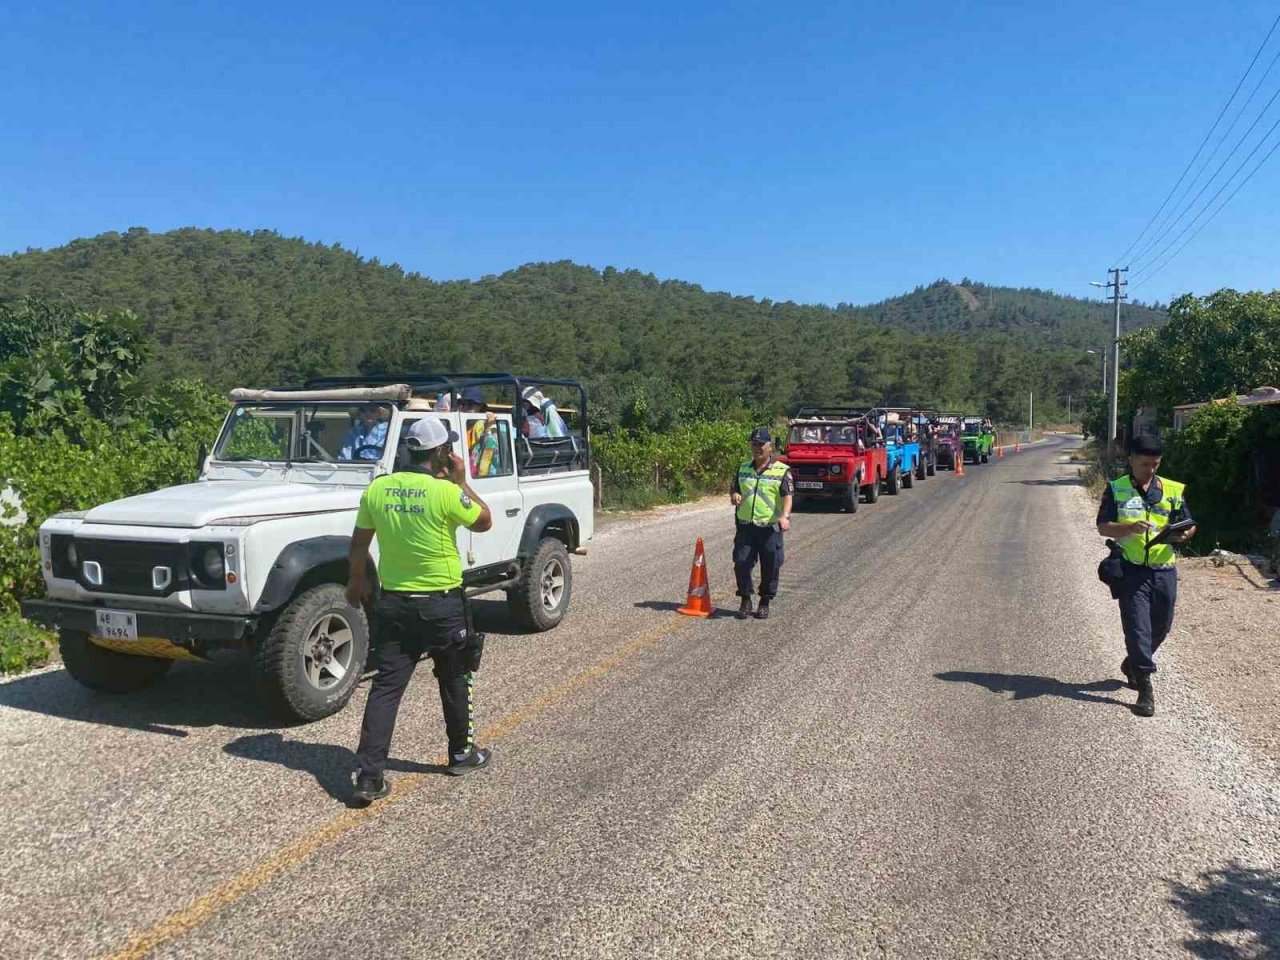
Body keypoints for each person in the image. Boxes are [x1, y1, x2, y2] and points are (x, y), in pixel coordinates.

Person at [345, 417, 495, 804]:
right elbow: (484, 522)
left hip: (393, 604)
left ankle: (368, 776)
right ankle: (462, 753)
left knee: (386, 688)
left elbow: (360, 540)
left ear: (409, 450)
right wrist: (461, 482)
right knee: (455, 676)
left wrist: (355, 582)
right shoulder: (444, 492)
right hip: (442, 604)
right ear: (442, 452)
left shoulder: (378, 489)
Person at [1095, 433, 1196, 717]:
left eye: (1155, 464)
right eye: (1144, 464)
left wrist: (1185, 534)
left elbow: (1190, 524)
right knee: (1138, 627)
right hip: (1131, 569)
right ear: (1130, 460)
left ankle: (1133, 663)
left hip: (1164, 570)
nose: (1150, 470)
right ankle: (1145, 685)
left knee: (1161, 626)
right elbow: (1103, 526)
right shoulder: (1116, 489)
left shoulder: (1173, 490)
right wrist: (1127, 528)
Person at [730, 427, 793, 621]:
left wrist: (785, 516)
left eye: (760, 444)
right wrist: (734, 495)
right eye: (753, 444)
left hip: (770, 528)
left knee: (771, 566)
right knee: (741, 563)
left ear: (769, 447)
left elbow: (788, 496)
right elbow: (734, 488)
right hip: (746, 526)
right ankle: (745, 599)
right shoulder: (743, 468)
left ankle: (764, 601)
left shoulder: (782, 470)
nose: (756, 448)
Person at [458, 386, 500, 477]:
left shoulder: (481, 425)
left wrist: (488, 428)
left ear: (480, 407)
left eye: (469, 404)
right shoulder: (460, 424)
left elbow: (489, 450)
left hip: (474, 476)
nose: (465, 407)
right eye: (462, 404)